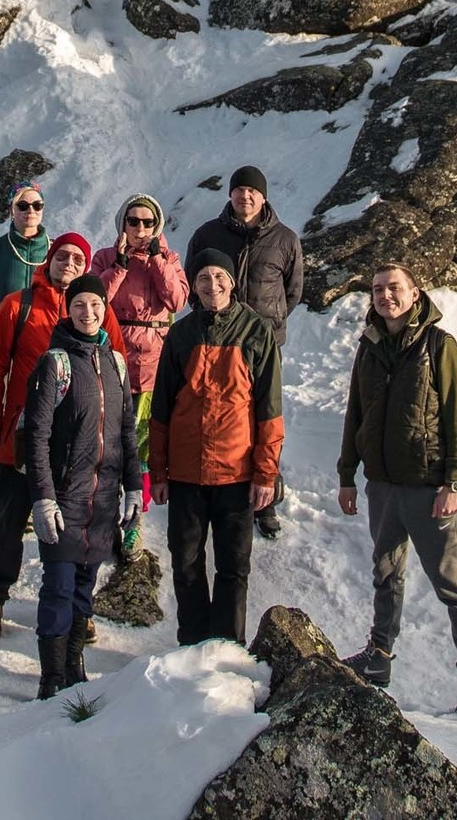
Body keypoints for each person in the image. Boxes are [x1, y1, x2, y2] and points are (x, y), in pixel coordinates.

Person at [335, 261, 457, 716]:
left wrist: (453, 481)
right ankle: (379, 658)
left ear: (415, 293)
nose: (385, 296)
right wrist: (348, 474)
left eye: (394, 288)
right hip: (382, 485)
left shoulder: (439, 345)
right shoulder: (370, 347)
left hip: (427, 487)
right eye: (378, 289)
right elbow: (355, 414)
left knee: (450, 584)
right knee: (386, 574)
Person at [150, 254, 283, 646]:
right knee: (186, 564)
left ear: (232, 281)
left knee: (232, 568)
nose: (212, 285)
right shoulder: (181, 334)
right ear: (193, 285)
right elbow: (161, 408)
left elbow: (270, 410)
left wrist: (266, 473)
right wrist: (158, 471)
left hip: (237, 474)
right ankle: (192, 644)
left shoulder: (256, 332)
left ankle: (226, 649)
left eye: (219, 276)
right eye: (204, 278)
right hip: (187, 474)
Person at [0, 231, 93, 640]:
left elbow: (111, 368)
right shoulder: (18, 305)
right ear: (49, 259)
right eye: (63, 256)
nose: (70, 264)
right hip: (23, 437)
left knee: (74, 526)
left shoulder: (93, 309)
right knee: (9, 521)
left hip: (75, 443)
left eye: (78, 259)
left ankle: (77, 607)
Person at [23, 272, 138, 700]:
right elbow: (36, 435)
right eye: (79, 306)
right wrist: (44, 497)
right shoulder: (56, 363)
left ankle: (74, 666)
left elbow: (127, 429)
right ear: (66, 310)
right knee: (58, 586)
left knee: (85, 588)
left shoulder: (116, 362)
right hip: (66, 495)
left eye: (95, 305)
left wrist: (133, 487)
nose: (88, 313)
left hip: (104, 498)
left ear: (105, 309)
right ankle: (51, 678)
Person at [185, 165, 303, 536]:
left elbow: (293, 291)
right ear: (230, 195)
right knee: (221, 414)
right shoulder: (208, 234)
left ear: (263, 196)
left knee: (265, 417)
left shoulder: (285, 239)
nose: (245, 196)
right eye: (239, 190)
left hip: (265, 344)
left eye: (253, 191)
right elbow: (193, 283)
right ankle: (223, 488)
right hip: (217, 343)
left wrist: (265, 326)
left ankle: (266, 498)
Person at [92, 196, 186, 506]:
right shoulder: (105, 257)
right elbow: (94, 300)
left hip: (154, 362)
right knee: (109, 434)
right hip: (114, 357)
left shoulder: (169, 258)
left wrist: (157, 260)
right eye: (133, 221)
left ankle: (135, 515)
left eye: (148, 222)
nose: (141, 228)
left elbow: (176, 301)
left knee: (145, 438)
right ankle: (106, 505)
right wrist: (119, 266)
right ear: (123, 224)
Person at [0, 181, 50, 327]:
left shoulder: (57, 252)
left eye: (37, 205)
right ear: (12, 209)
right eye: (23, 205)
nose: (31, 210)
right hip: (1, 339)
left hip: (46, 338)